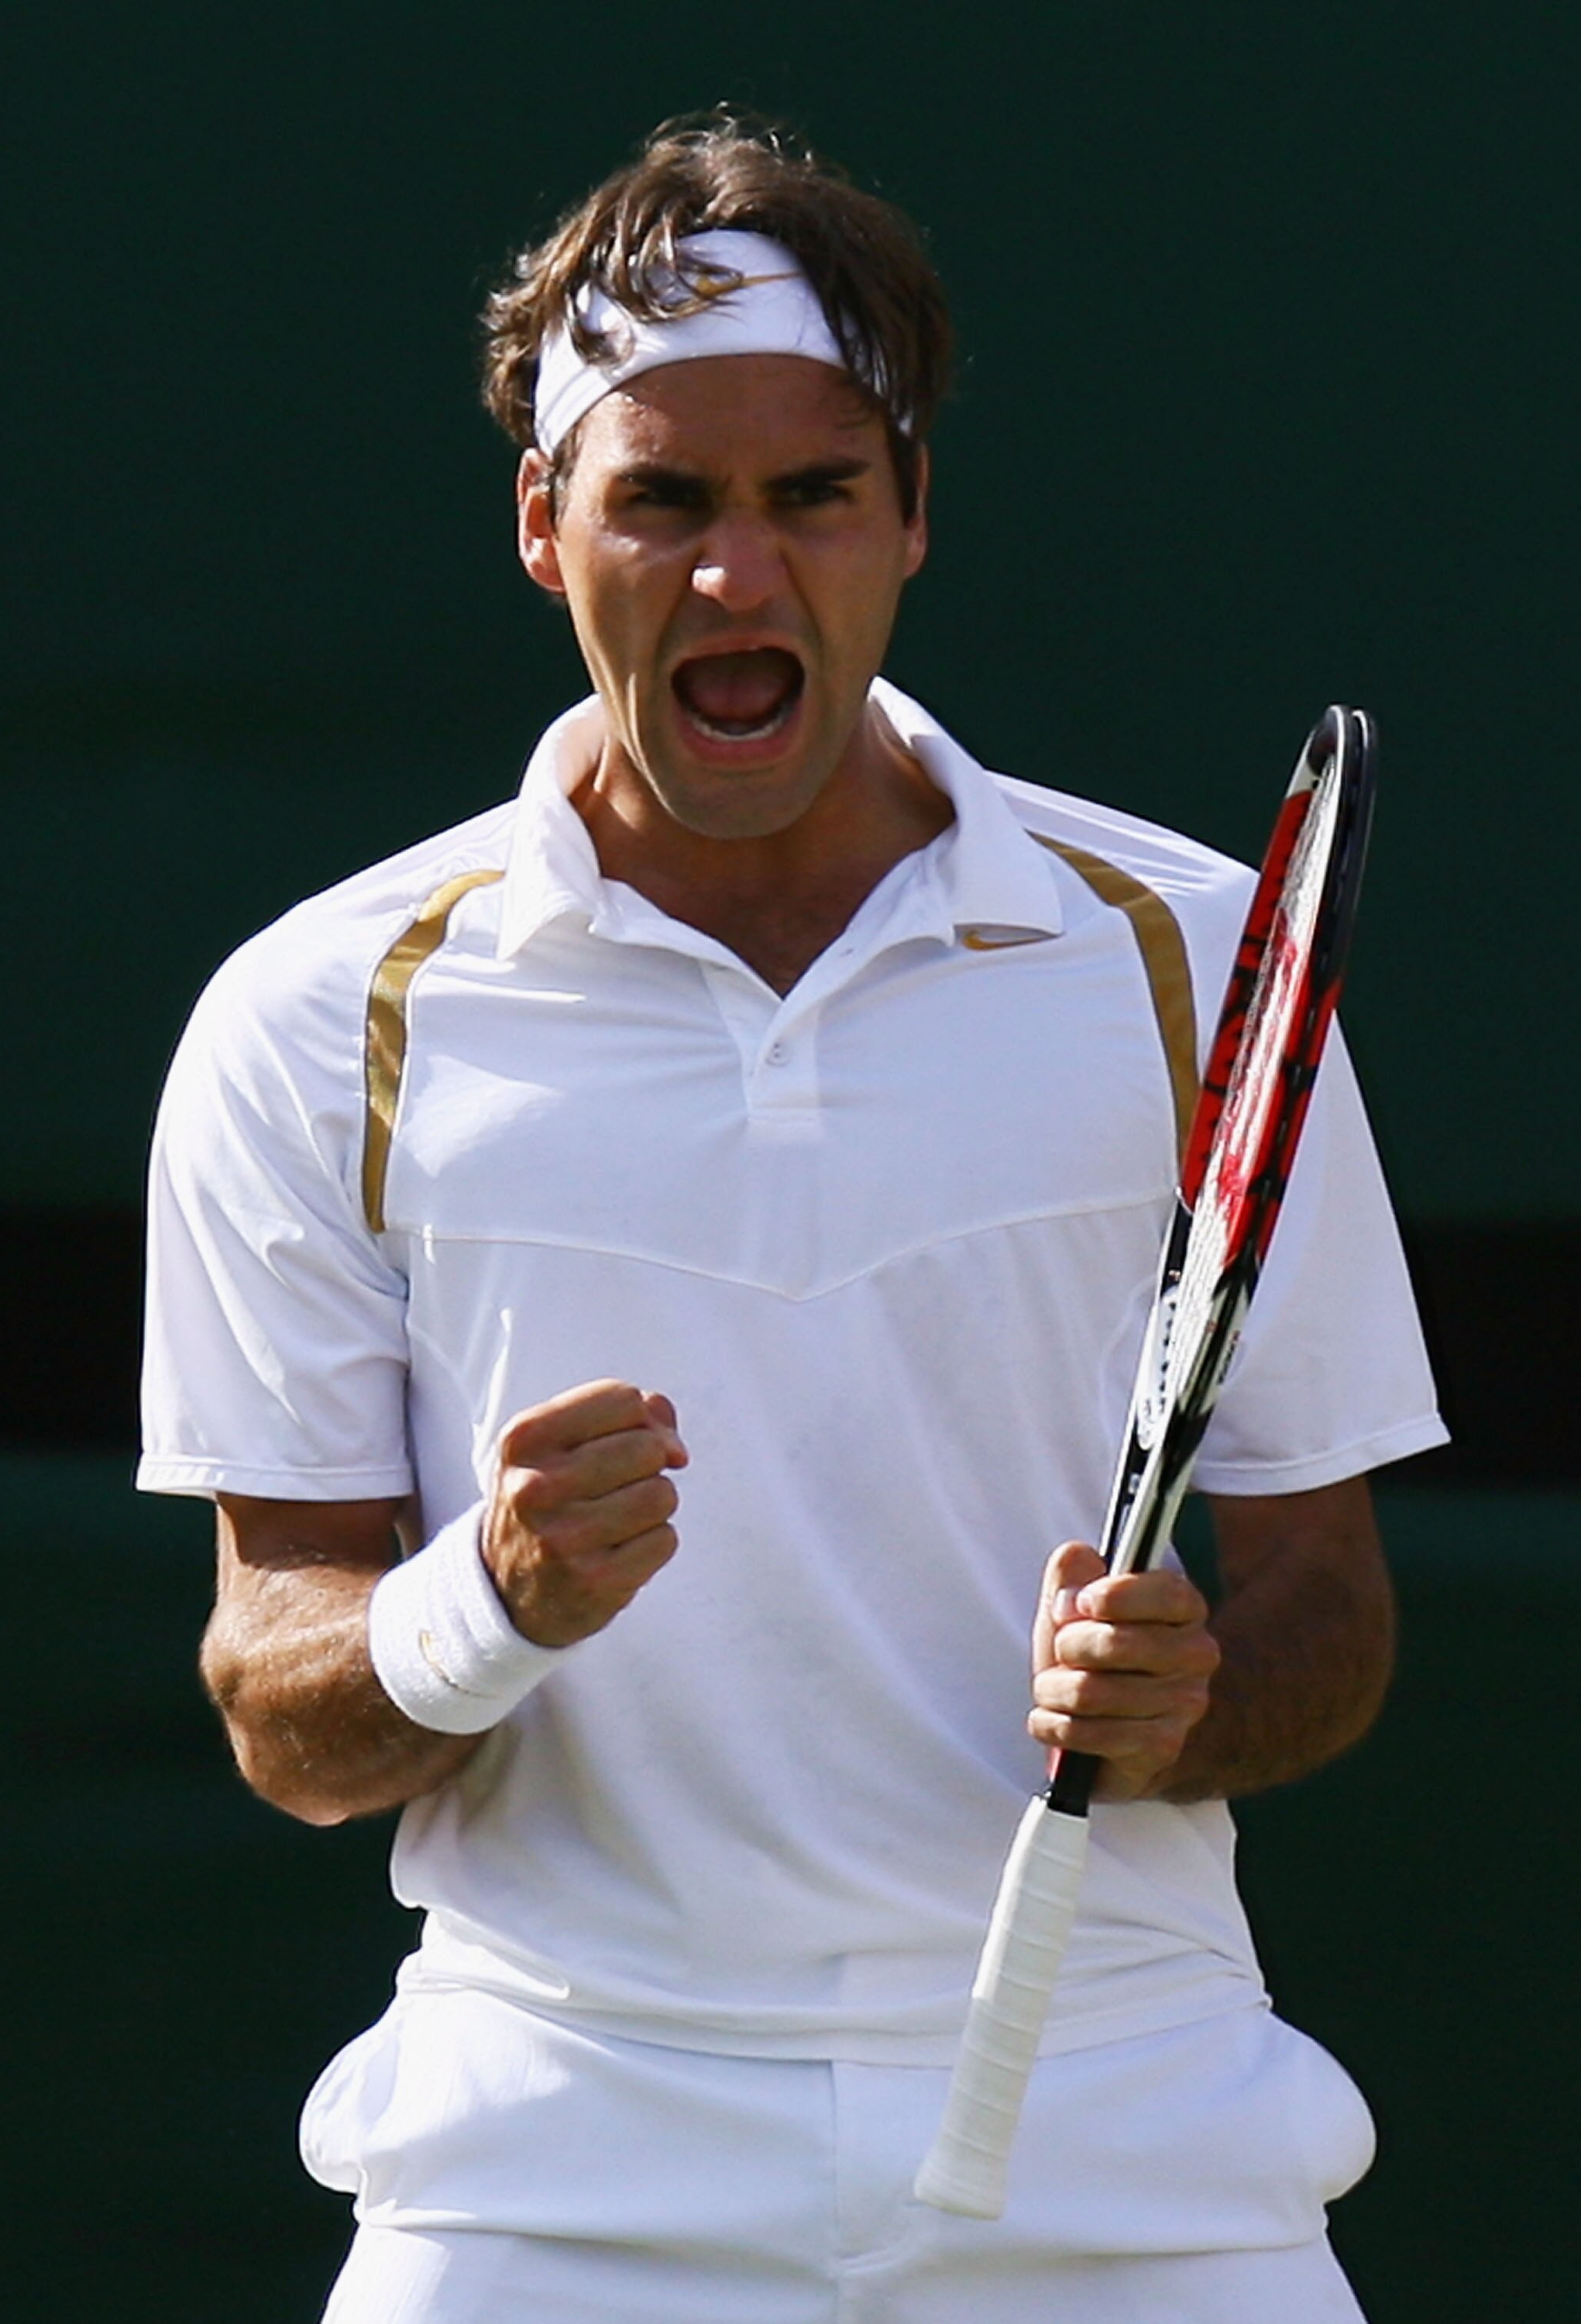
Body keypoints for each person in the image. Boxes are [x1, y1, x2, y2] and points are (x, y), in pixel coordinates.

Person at [139, 115, 1446, 2323]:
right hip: (553, 2150)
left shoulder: (1191, 959)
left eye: (811, 495)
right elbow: (285, 1704)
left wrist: (1190, 1707)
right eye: (663, 498)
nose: (738, 575)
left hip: (1123, 2121)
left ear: (909, 520)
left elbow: (1334, 1608)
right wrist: (492, 1604)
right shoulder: (309, 1018)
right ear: (548, 530)